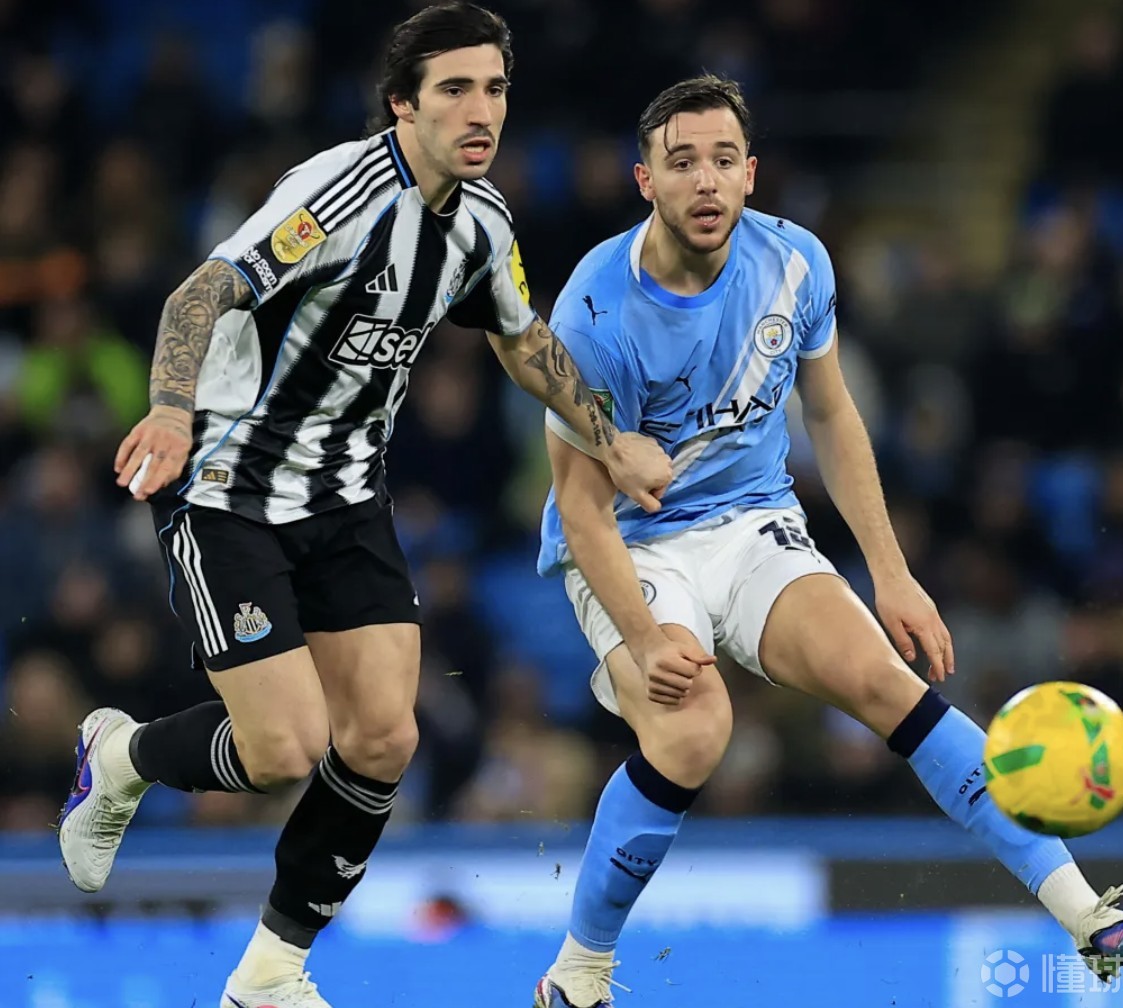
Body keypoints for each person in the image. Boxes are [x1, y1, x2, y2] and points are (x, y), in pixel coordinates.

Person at [55, 6, 672, 1008]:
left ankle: (270, 972)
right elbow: (199, 294)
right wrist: (169, 408)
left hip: (346, 499)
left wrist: (610, 441)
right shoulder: (338, 193)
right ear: (402, 105)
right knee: (282, 750)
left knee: (384, 738)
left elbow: (520, 339)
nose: (481, 111)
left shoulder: (483, 223)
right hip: (230, 489)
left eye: (495, 89)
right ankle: (120, 754)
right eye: (455, 89)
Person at [530, 75, 1123, 1008]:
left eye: (722, 160)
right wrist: (640, 633)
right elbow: (583, 508)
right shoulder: (595, 311)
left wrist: (893, 575)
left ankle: (1088, 918)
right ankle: (579, 972)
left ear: (751, 173)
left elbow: (831, 415)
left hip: (752, 523)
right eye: (682, 163)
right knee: (694, 728)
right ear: (645, 181)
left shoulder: (796, 263)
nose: (705, 180)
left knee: (886, 682)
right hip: (635, 546)